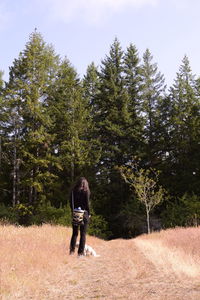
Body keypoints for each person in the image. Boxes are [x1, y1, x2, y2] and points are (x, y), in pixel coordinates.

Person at [69, 177, 90, 256]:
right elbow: (87, 204)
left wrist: (73, 211)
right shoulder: (86, 191)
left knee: (74, 233)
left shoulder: (73, 192)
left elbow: (70, 203)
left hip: (75, 214)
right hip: (84, 214)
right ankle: (80, 253)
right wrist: (89, 213)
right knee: (83, 234)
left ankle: (71, 251)